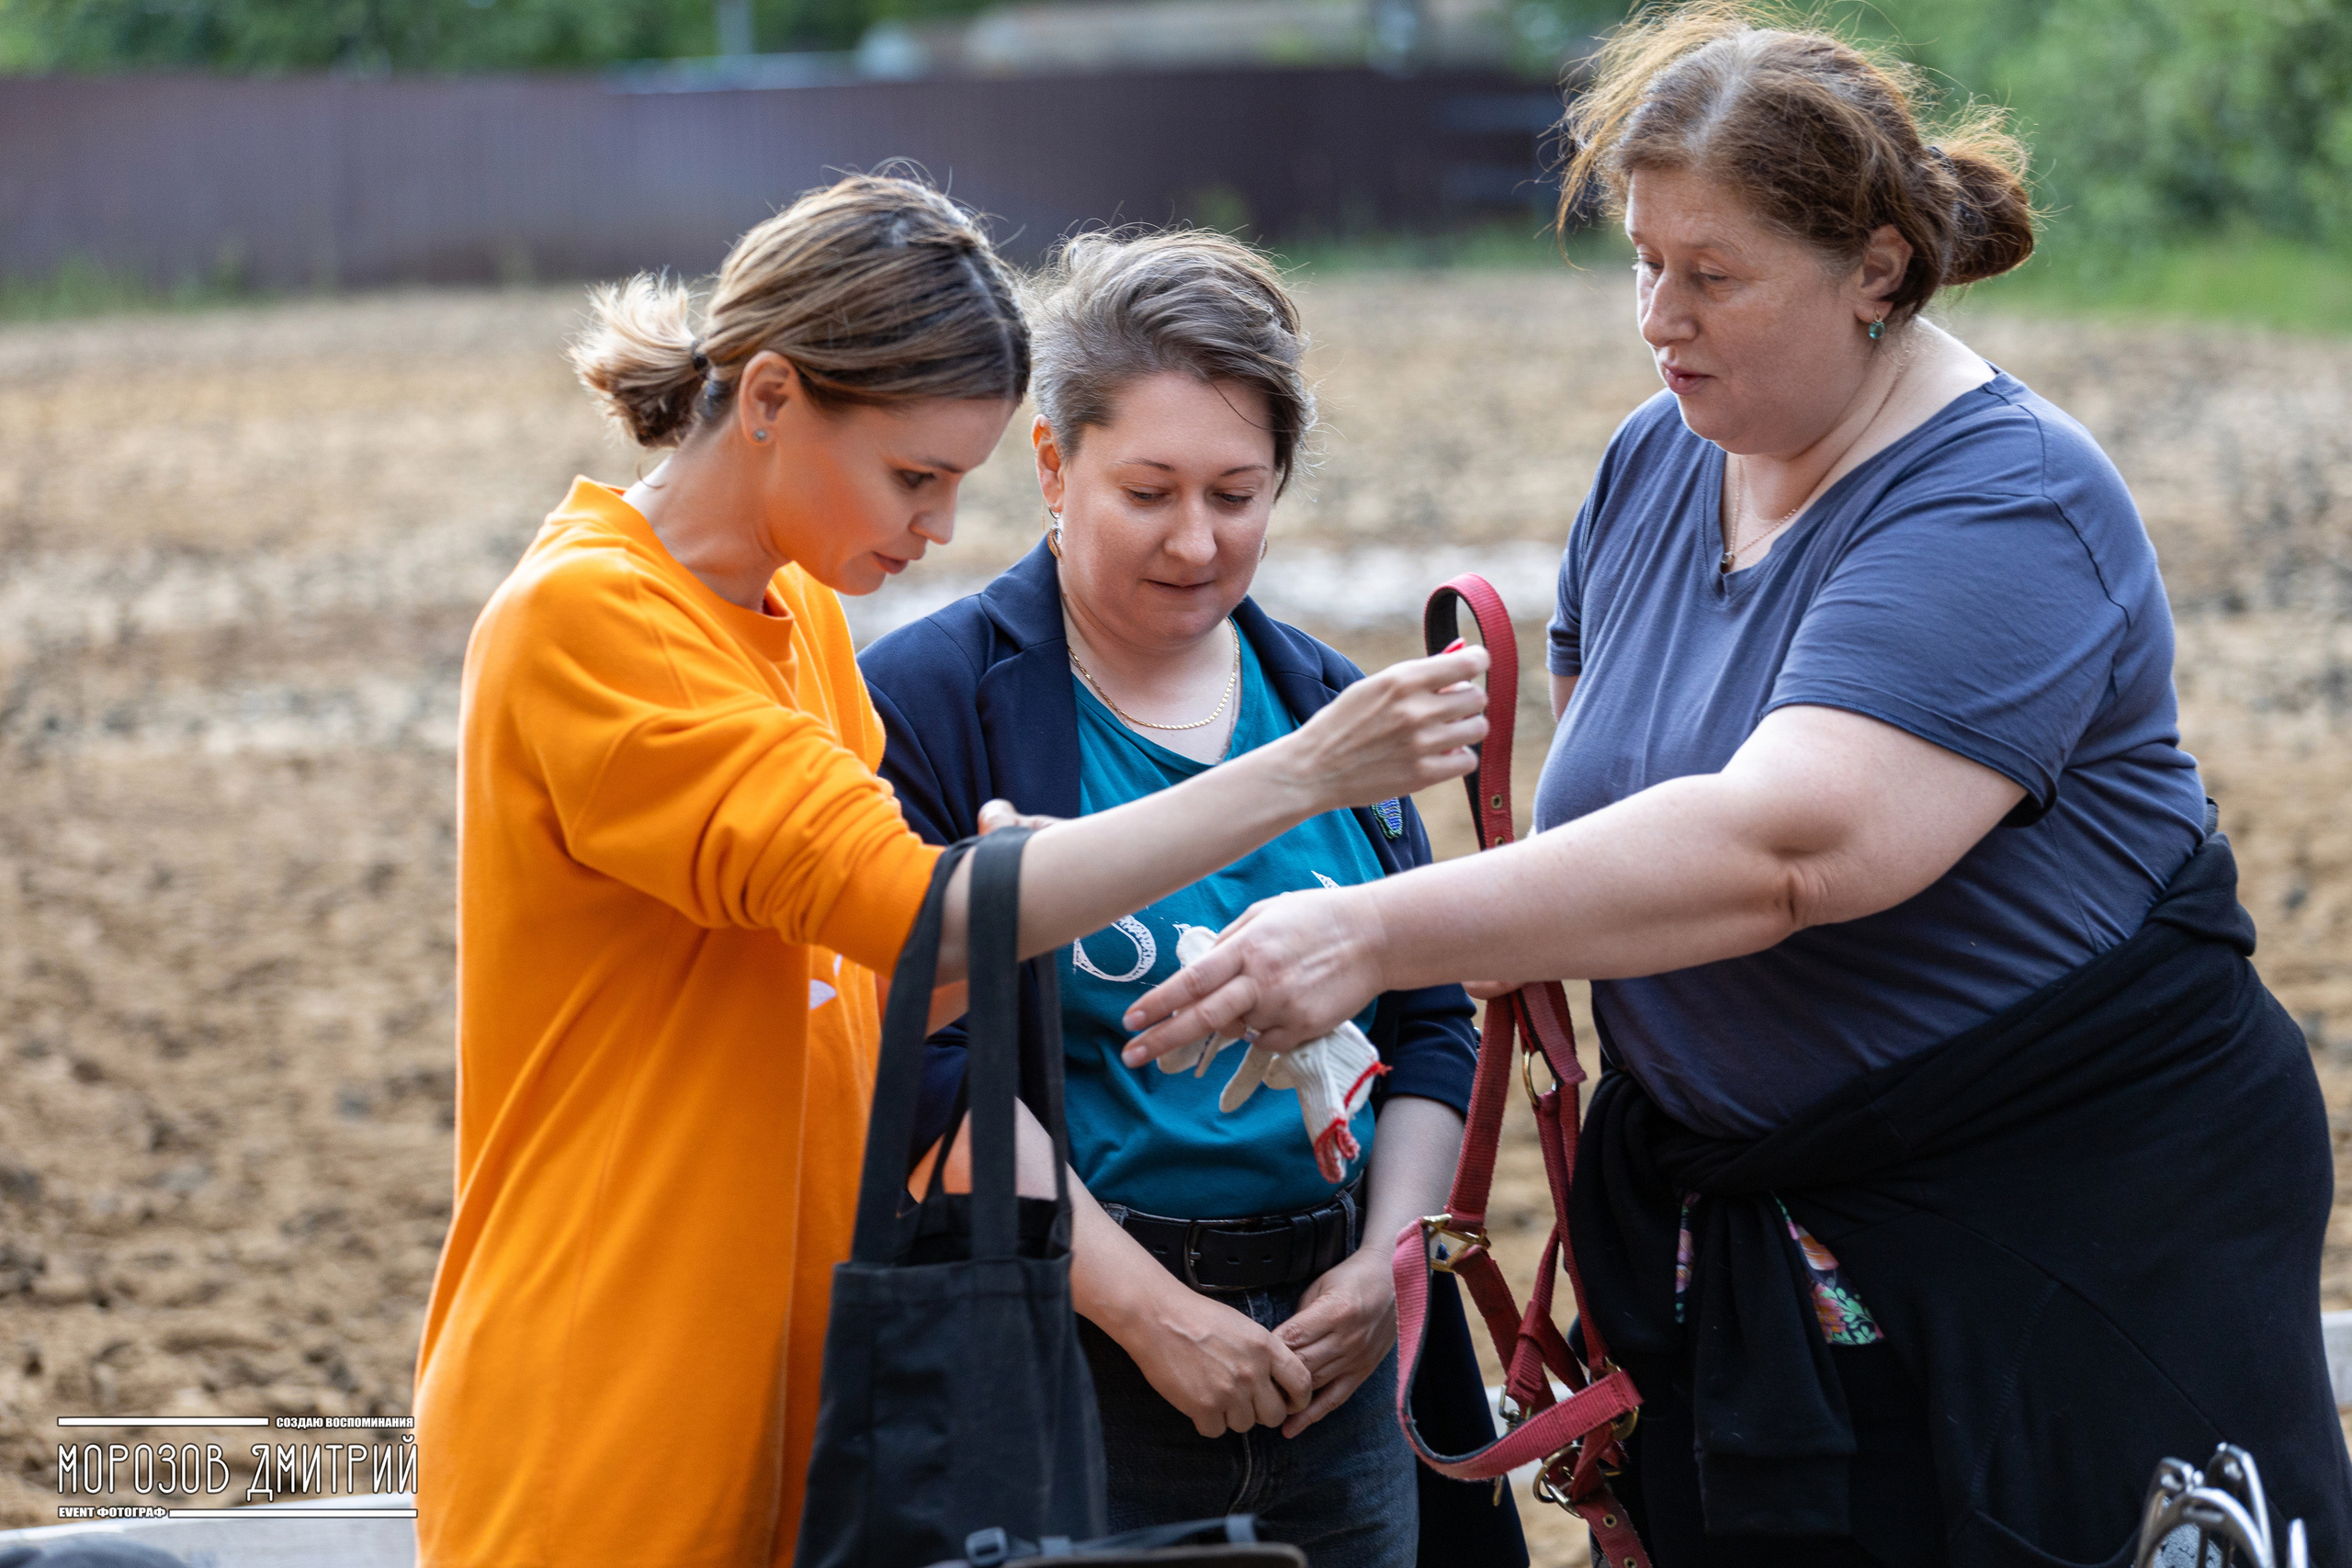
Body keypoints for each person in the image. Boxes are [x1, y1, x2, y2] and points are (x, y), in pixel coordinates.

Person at [1117, 9, 2352, 1566]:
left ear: (1880, 272)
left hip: (2055, 1230)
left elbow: (1789, 847)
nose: (1657, 315)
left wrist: (1372, 933)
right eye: (1644, 261)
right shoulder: (1656, 464)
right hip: (1763, 1222)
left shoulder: (2004, 502)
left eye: (1713, 275)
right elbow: (1621, 818)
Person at [408, 175, 1490, 1568]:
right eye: (915, 476)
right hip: (619, 1378)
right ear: (774, 400)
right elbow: (918, 919)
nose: (935, 528)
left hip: (800, 1373)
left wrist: (1034, 919)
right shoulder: (589, 620)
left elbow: (882, 1001)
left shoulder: (790, 611)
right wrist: (1301, 775)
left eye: (954, 484)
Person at [859, 230, 1525, 1568]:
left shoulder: (1338, 702)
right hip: (1074, 1355)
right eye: (1148, 490)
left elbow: (1433, 1024)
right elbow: (921, 1067)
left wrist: (1384, 1271)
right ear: (1052, 466)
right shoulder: (930, 702)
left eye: (1238, 491)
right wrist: (1152, 1314)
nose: (1198, 539)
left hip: (1344, 1363)